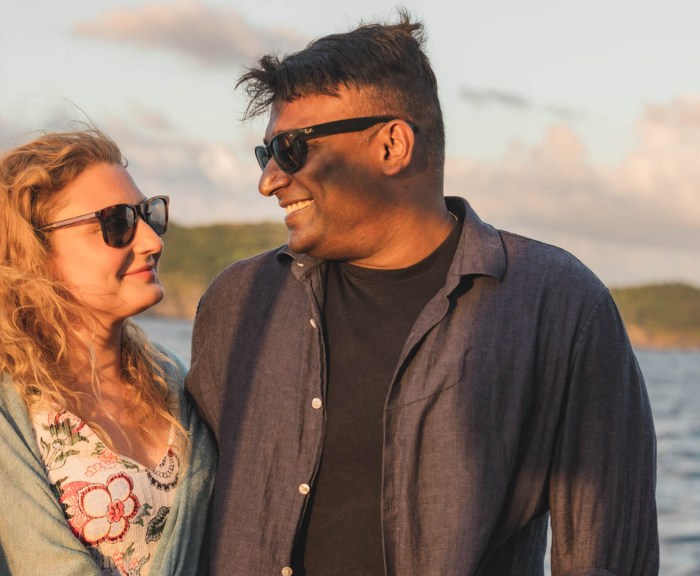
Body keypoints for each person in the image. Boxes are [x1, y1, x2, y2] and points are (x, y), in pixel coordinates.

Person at [185, 11, 658, 576]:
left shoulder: (559, 308)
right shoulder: (239, 302)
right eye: (266, 155)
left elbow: (608, 554)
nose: (268, 180)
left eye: (291, 149)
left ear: (392, 145)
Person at [0, 129, 214, 575]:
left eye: (151, 215)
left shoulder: (169, 382)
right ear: (32, 251)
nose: (152, 241)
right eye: (117, 222)